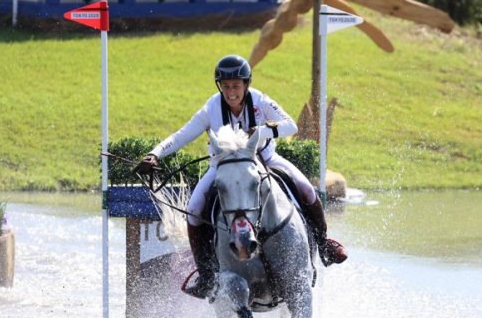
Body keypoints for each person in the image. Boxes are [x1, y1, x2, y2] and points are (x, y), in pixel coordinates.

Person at [134, 55, 347, 298]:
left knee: (307, 190)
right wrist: (155, 154)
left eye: (236, 86)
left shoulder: (261, 100)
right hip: (224, 167)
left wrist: (263, 130)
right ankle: (206, 275)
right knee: (194, 208)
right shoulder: (211, 108)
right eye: (225, 86)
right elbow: (182, 135)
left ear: (246, 84)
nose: (231, 92)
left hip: (266, 160)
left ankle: (324, 245)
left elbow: (291, 126)